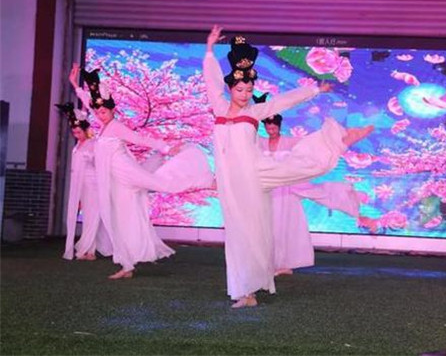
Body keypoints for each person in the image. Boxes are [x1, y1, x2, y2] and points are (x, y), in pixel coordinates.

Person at [203, 25, 373, 308]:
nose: (244, 94)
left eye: (249, 90)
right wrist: (209, 49)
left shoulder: (255, 111)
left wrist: (314, 90)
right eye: (240, 89)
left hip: (258, 171)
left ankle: (339, 140)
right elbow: (210, 81)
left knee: (296, 166)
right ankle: (246, 292)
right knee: (240, 234)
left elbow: (283, 101)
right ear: (230, 89)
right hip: (232, 182)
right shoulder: (219, 108)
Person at [76, 65, 213, 279]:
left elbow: (140, 139)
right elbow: (90, 105)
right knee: (120, 220)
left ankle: (204, 180)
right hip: (117, 182)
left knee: (161, 183)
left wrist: (166, 148)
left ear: (112, 110)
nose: (100, 115)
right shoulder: (103, 126)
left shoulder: (116, 126)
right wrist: (76, 86)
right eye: (98, 112)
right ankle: (127, 265)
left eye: (104, 112)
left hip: (127, 172)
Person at [260, 114, 362, 275]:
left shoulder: (291, 142)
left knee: (286, 226)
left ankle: (284, 263)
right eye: (268, 128)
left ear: (279, 127)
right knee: (266, 227)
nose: (271, 130)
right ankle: (267, 263)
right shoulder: (260, 143)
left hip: (287, 191)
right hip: (268, 190)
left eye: (274, 127)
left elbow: (311, 148)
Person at [56, 101, 112, 261]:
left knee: (93, 216)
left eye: (79, 132)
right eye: (74, 132)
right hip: (82, 185)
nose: (77, 135)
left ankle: (87, 249)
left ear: (86, 130)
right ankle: (90, 250)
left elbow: (100, 164)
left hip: (93, 184)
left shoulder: (93, 144)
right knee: (88, 217)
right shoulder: (78, 146)